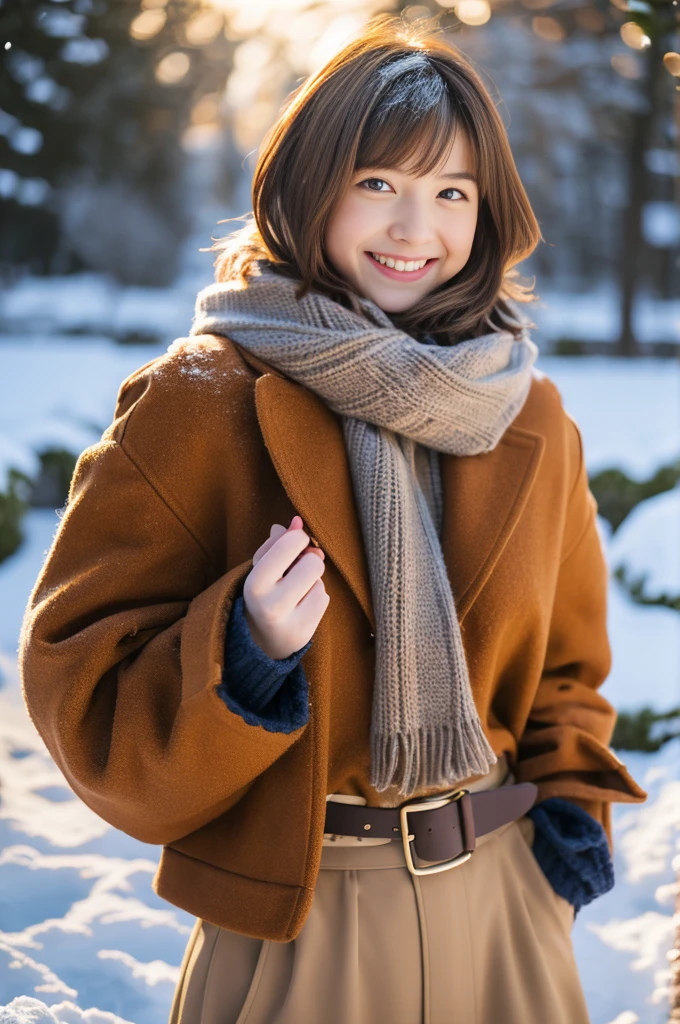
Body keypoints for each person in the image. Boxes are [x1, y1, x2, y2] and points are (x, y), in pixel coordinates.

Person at [19, 14, 647, 1024]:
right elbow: (77, 678)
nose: (414, 230)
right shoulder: (199, 400)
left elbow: (568, 662)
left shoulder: (526, 415)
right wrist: (246, 651)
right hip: (300, 924)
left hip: (504, 916)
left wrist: (568, 818)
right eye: (378, 185)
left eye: (451, 192)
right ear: (310, 185)